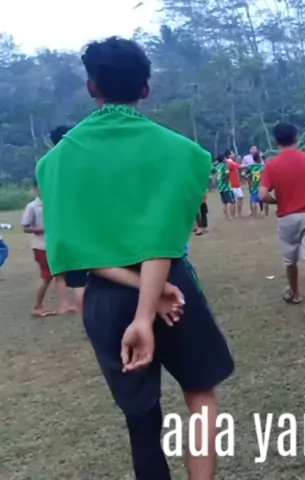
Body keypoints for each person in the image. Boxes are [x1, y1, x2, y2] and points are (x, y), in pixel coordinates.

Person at [35, 36, 234, 480]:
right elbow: (162, 240)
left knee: (141, 420)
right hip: (173, 289)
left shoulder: (56, 162)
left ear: (92, 86)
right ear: (146, 88)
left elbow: (70, 249)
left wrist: (139, 292)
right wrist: (151, 296)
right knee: (201, 396)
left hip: (108, 297)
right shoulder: (183, 153)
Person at [260, 122, 305, 319]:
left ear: (276, 141)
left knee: (290, 260)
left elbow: (263, 194)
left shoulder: (272, 165)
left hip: (286, 216)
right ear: (297, 138)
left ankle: (295, 293)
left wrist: (277, 201)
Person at [22, 182, 76, 317]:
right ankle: (37, 306)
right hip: (42, 247)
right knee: (47, 277)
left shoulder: (54, 203)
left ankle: (65, 304)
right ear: (35, 188)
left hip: (56, 247)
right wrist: (46, 229)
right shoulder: (32, 207)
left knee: (59, 274)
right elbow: (26, 227)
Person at [48, 125, 88, 310]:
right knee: (85, 278)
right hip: (84, 224)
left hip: (62, 226)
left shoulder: (48, 163)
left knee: (76, 276)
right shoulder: (81, 159)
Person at [213, 154, 236, 220]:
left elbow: (212, 170)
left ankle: (226, 216)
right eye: (225, 158)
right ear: (223, 159)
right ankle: (230, 216)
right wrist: (227, 179)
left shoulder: (217, 166)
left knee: (224, 203)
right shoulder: (225, 165)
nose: (226, 159)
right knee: (229, 202)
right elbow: (227, 173)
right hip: (225, 186)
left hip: (220, 187)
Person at [224, 150, 245, 216]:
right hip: (232, 185)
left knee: (240, 198)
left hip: (237, 184)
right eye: (232, 153)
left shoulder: (232, 162)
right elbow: (240, 166)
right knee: (232, 201)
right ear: (229, 155)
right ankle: (233, 215)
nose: (234, 154)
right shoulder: (228, 162)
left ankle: (239, 213)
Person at [244, 153, 264, 217]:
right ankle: (263, 213)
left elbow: (243, 174)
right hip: (261, 186)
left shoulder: (250, 167)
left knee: (253, 200)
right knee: (263, 199)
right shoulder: (262, 167)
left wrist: (247, 178)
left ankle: (254, 214)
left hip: (253, 186)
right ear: (258, 159)